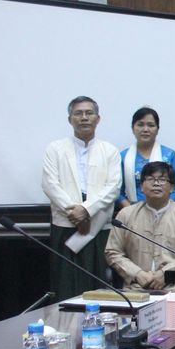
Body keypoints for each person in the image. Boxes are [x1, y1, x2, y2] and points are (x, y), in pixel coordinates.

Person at [42, 96, 122, 298]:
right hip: (66, 225)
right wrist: (74, 211)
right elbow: (50, 184)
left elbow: (113, 187)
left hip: (98, 226)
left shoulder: (110, 151)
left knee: (98, 285)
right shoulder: (55, 149)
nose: (84, 118)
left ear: (98, 118)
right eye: (78, 113)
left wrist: (86, 210)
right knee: (65, 284)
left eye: (89, 113)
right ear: (70, 119)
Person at [106, 162, 175, 289]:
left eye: (162, 179)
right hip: (136, 289)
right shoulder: (125, 215)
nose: (156, 183)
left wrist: (168, 273)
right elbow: (113, 252)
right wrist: (137, 273)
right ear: (141, 186)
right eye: (150, 179)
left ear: (172, 187)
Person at [118, 107, 175, 207]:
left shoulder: (169, 155)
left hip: (166, 210)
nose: (145, 129)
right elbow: (118, 192)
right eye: (140, 125)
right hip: (133, 211)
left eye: (151, 125)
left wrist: (166, 209)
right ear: (132, 128)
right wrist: (131, 210)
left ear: (157, 129)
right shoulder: (123, 157)